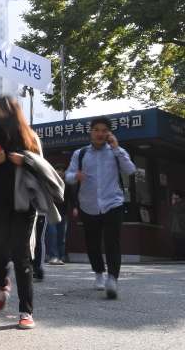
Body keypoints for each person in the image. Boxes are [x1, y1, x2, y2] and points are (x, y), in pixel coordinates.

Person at [0, 95, 43, 330]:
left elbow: (41, 166)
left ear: (15, 112)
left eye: (6, 111)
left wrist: (24, 160)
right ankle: (2, 280)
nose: (1, 116)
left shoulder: (29, 136)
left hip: (24, 204)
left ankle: (26, 311)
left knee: (22, 256)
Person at [65, 115, 136, 299]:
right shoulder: (80, 153)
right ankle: (99, 273)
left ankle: (113, 278)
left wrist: (116, 147)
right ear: (91, 131)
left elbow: (130, 170)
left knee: (113, 240)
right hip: (88, 205)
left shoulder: (115, 152)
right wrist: (76, 177)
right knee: (92, 243)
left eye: (104, 130)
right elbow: (68, 175)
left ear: (109, 133)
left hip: (113, 202)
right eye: (97, 130)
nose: (100, 134)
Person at [47, 163, 80, 265]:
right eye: (58, 170)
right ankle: (53, 256)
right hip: (51, 212)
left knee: (61, 236)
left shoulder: (67, 184)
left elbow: (73, 197)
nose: (60, 172)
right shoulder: (49, 182)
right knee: (52, 234)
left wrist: (75, 208)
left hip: (63, 214)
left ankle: (60, 257)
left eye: (62, 170)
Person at [168, 190, 185, 260]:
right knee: (175, 243)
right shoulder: (173, 205)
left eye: (174, 195)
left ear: (178, 196)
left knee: (181, 242)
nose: (172, 197)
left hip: (180, 227)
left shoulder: (183, 203)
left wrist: (174, 203)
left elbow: (178, 210)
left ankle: (182, 257)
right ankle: (176, 256)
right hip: (173, 227)